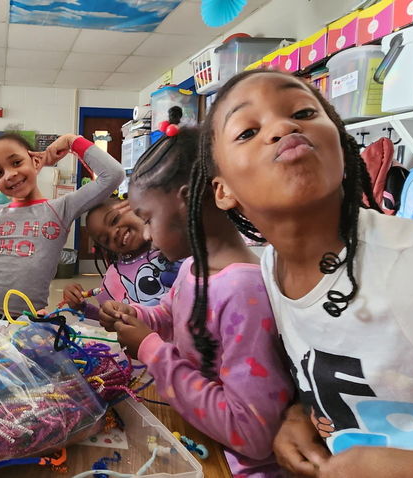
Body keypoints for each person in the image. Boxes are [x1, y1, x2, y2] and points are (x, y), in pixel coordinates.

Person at [199, 69, 413, 477]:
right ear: (223, 191)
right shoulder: (274, 267)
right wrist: (302, 413)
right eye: (247, 131)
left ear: (341, 146)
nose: (283, 127)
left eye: (303, 113)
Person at [98, 128, 292, 478]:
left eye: (148, 219)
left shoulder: (244, 293)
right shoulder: (192, 266)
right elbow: (170, 315)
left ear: (185, 202)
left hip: (232, 464)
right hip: (199, 435)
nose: (146, 235)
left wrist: (150, 349)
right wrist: (135, 315)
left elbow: (252, 434)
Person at [0, 132, 125, 316]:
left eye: (16, 162)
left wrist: (71, 141)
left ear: (35, 161)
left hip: (28, 318)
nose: (10, 174)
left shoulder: (61, 208)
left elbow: (113, 174)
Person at [62, 196, 181, 320]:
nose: (113, 233)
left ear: (131, 205)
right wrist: (82, 306)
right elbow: (112, 318)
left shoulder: (175, 241)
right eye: (106, 240)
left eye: (114, 220)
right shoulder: (114, 279)